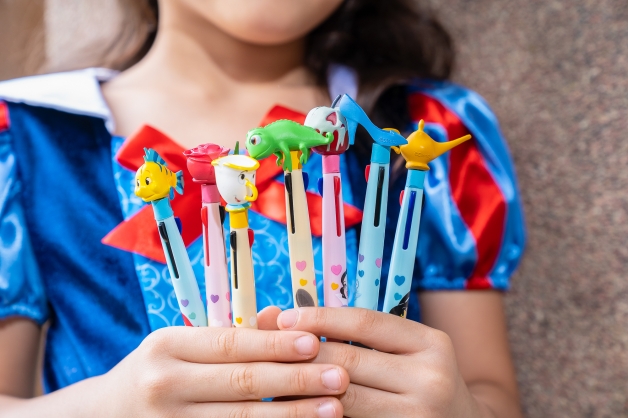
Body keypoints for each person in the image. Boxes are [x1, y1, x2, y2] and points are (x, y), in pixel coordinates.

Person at [0, 0, 526, 416]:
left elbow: (490, 392)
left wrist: (455, 408)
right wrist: (104, 408)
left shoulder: (422, 130)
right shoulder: (25, 138)